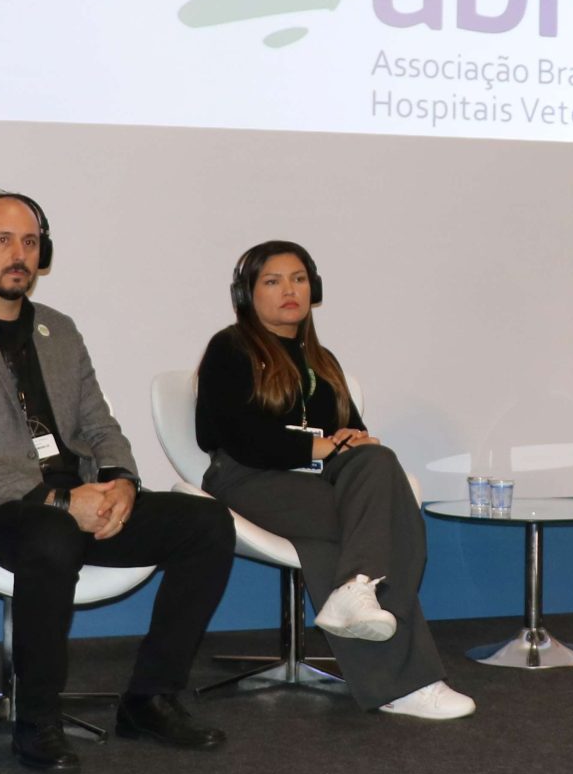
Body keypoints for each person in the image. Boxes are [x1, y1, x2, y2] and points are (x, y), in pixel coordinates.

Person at [0, 191, 236, 774]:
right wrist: (59, 499)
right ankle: (37, 720)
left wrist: (122, 482)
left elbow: (98, 424)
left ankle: (149, 698)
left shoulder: (60, 330)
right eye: (2, 241)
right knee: (53, 536)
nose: (18, 255)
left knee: (206, 523)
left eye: (30, 243)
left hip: (78, 498)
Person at [192, 240, 475, 720]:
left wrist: (354, 444)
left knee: (378, 462)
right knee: (382, 523)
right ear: (246, 294)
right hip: (248, 479)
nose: (289, 290)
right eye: (273, 281)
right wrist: (315, 446)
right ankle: (406, 679)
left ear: (313, 288)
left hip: (314, 485)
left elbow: (353, 434)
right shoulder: (230, 348)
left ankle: (357, 592)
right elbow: (224, 435)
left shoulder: (321, 361)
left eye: (299, 279)